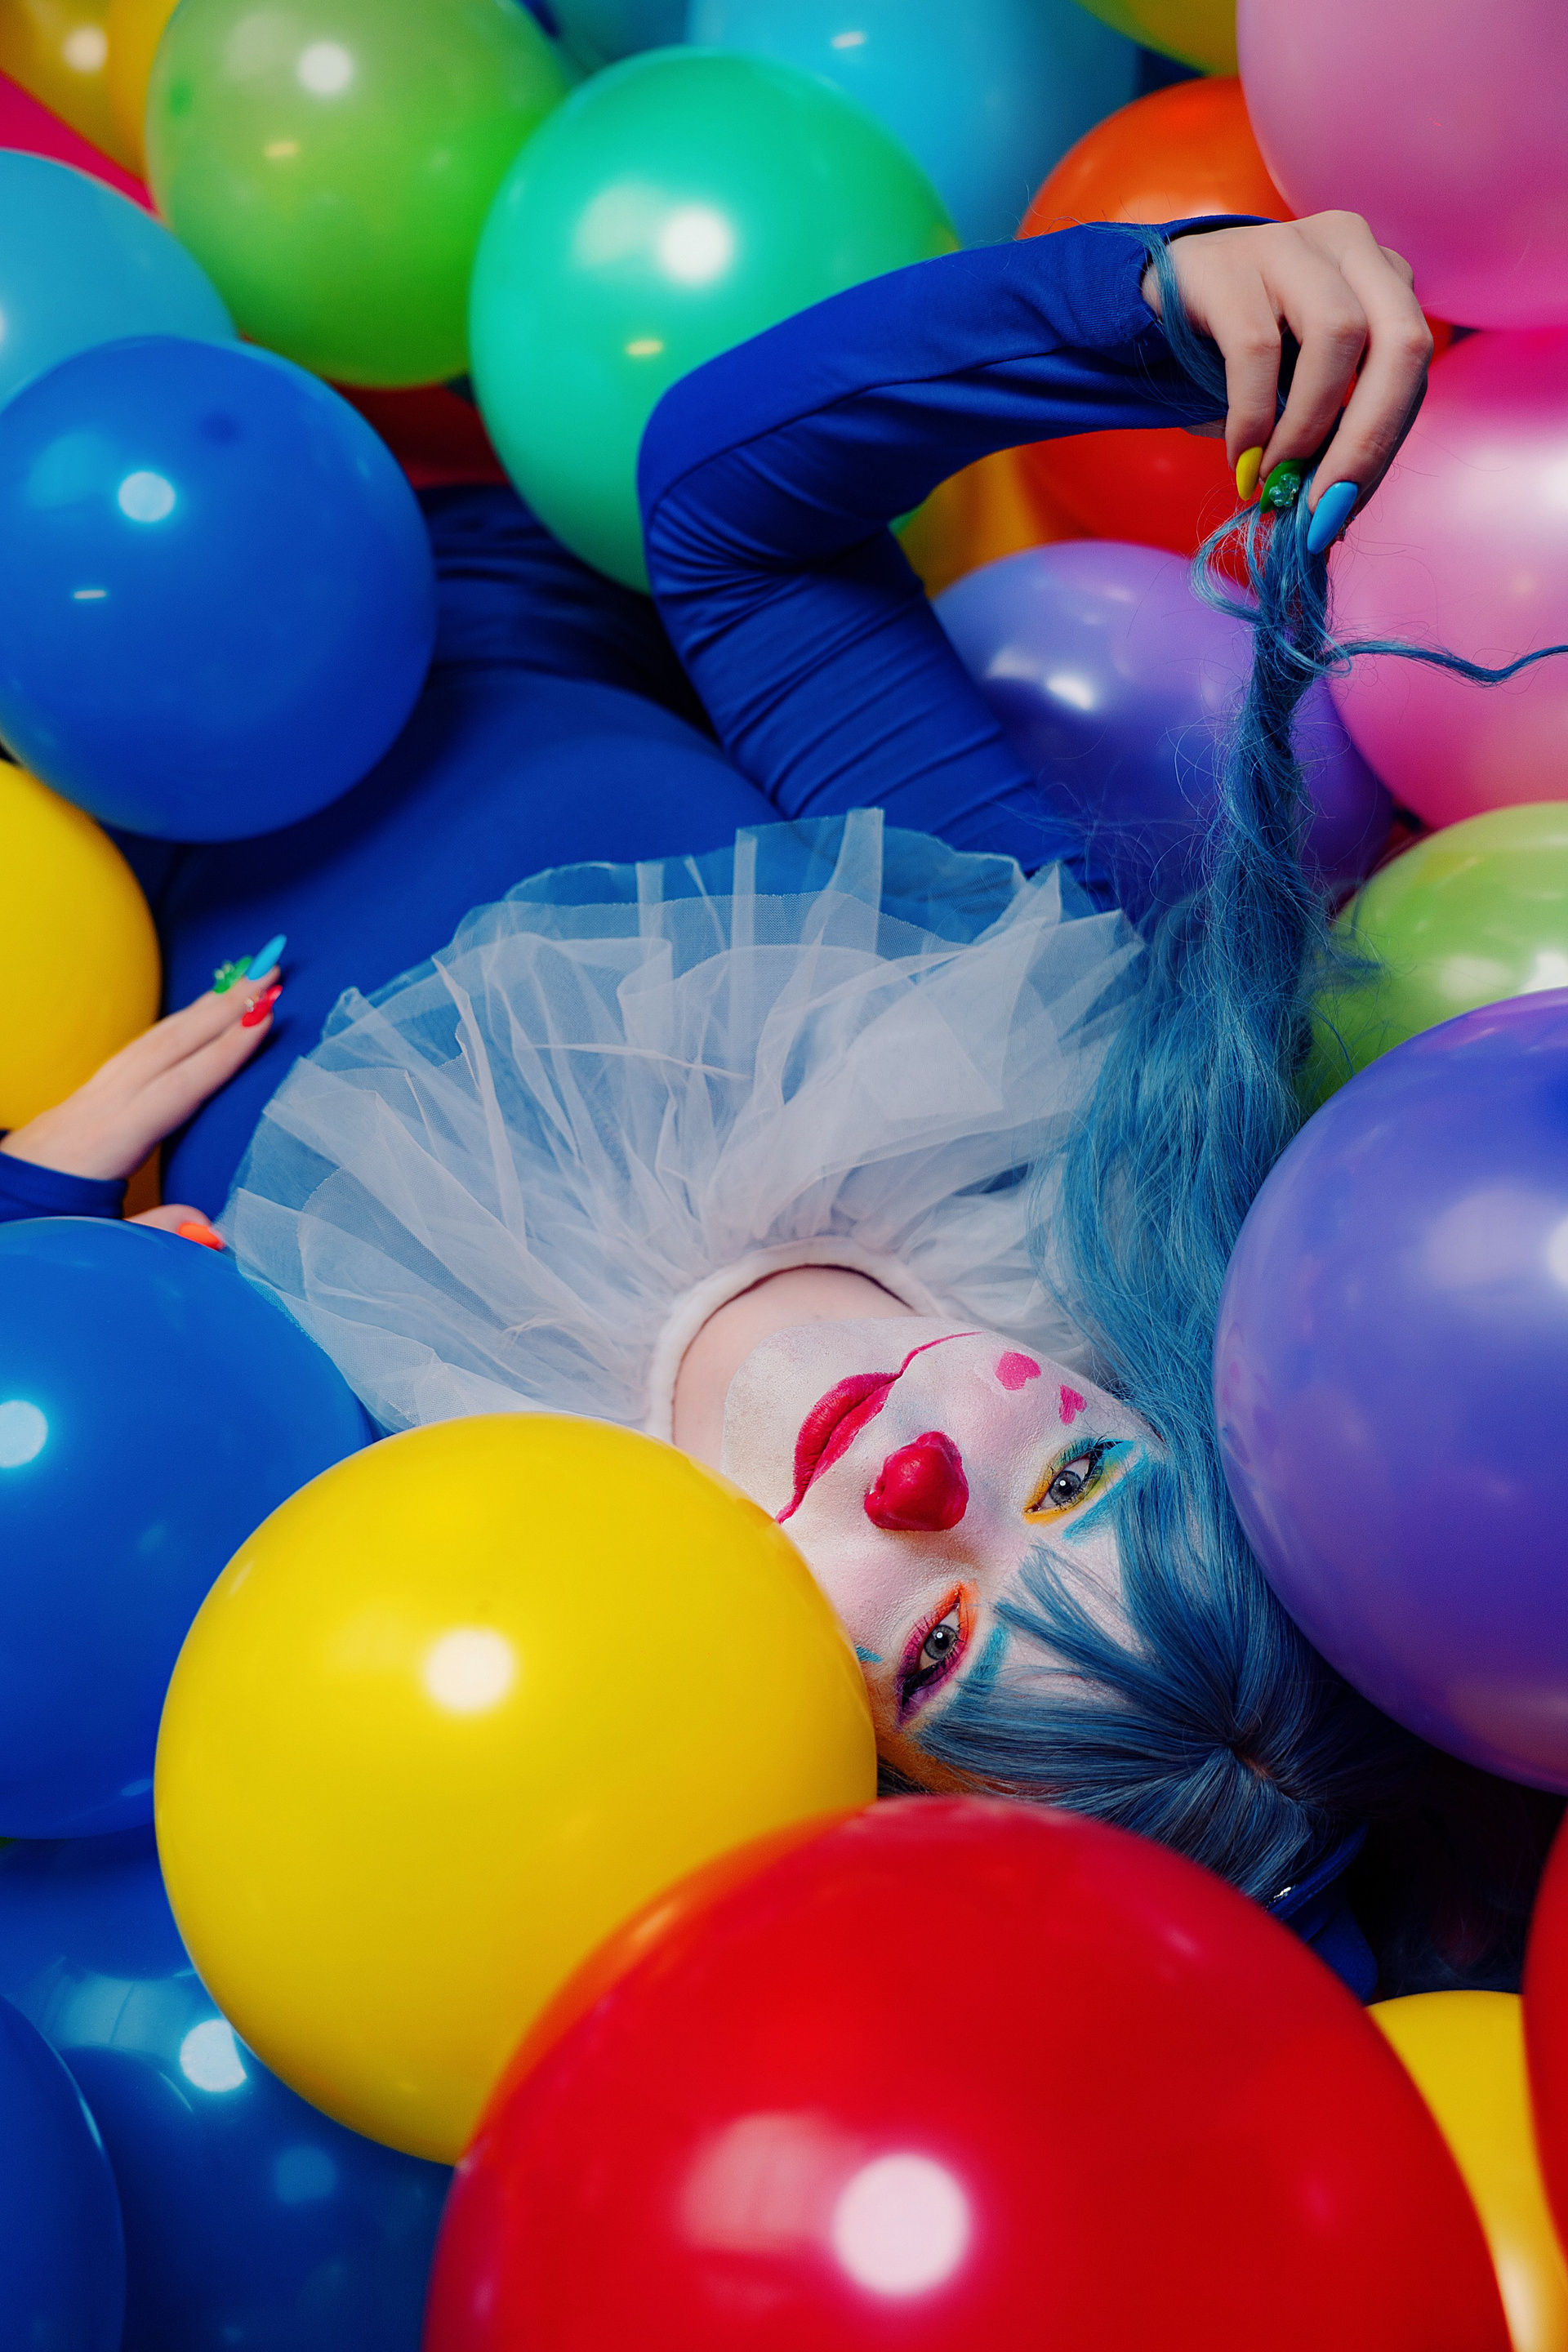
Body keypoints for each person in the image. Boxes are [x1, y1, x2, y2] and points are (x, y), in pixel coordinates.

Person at [0, 213, 1437, 1988]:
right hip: (352, 510)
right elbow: (731, 523)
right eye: (1071, 1477)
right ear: (1157, 1393)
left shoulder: (441, 1561)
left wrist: (39, 1223)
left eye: (939, 1648)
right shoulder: (1009, 1037)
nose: (920, 1484)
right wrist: (1150, 298)